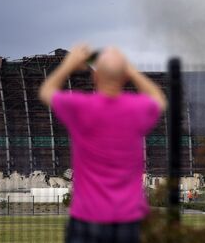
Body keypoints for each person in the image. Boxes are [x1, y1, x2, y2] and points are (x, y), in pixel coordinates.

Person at [39, 45, 167, 243]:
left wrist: (69, 64)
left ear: (95, 77)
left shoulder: (81, 107)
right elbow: (159, 98)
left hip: (87, 216)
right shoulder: (137, 108)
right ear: (124, 77)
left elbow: (46, 92)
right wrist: (131, 70)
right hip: (128, 217)